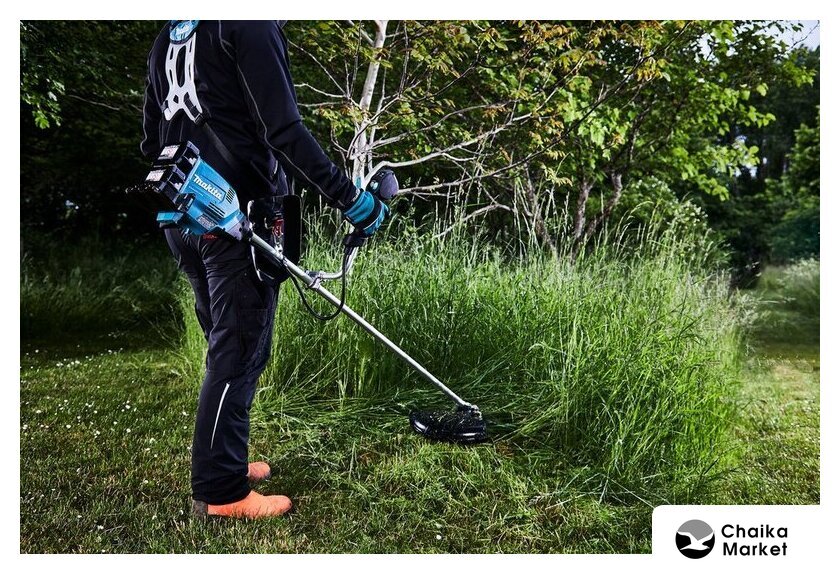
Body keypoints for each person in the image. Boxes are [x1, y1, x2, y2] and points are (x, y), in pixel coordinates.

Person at [140, 20, 387, 520]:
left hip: (183, 215)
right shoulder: (248, 23)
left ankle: (226, 461)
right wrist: (351, 199)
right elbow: (284, 131)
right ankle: (221, 492)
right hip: (235, 218)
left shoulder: (172, 32)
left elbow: (151, 141)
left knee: (227, 345)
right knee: (238, 352)